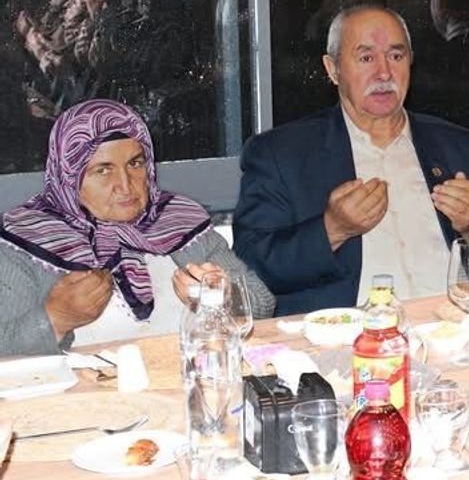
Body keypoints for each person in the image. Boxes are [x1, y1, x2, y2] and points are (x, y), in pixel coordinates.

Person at [233, 5, 469, 316]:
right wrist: (332, 229)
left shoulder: (460, 146)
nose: (384, 73)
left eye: (396, 56)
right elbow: (250, 263)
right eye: (366, 58)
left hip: (451, 326)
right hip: (347, 335)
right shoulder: (282, 154)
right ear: (332, 69)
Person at [0, 99, 273, 355]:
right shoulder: (26, 241)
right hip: (83, 389)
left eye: (135, 163)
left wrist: (223, 299)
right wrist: (55, 319)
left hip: (186, 379)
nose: (126, 185)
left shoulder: (178, 221)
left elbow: (262, 303)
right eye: (103, 170)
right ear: (68, 176)